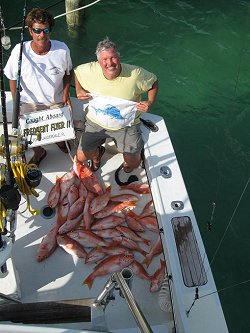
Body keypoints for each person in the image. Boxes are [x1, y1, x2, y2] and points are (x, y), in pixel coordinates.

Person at [74, 37, 158, 172]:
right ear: (98, 62)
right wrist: (79, 90)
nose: (110, 63)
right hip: (96, 122)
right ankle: (97, 153)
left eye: (113, 57)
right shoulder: (89, 70)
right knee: (81, 157)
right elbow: (77, 72)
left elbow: (153, 81)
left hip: (126, 125)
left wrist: (150, 102)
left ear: (119, 57)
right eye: (104, 60)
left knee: (134, 164)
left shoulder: (135, 74)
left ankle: (132, 157)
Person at [4, 8, 73, 165]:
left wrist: (66, 94)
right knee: (29, 137)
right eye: (37, 30)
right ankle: (39, 151)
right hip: (30, 103)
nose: (42, 35)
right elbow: (12, 77)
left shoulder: (62, 49)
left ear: (50, 30)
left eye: (46, 30)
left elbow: (69, 72)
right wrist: (16, 102)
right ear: (30, 31)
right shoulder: (19, 51)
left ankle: (60, 141)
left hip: (55, 101)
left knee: (63, 134)